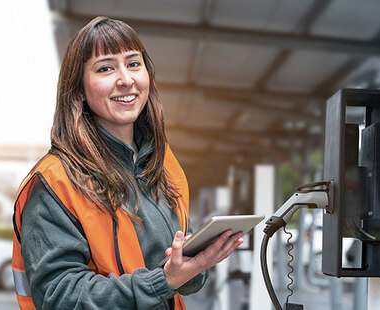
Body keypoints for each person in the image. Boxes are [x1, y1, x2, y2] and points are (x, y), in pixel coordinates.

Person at [12, 16, 244, 310]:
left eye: (133, 64)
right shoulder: (54, 182)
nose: (126, 79)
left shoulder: (164, 165)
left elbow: (175, 273)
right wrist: (163, 281)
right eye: (106, 68)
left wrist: (196, 265)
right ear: (80, 89)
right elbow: (60, 296)